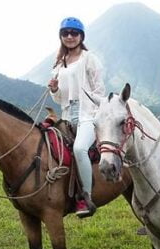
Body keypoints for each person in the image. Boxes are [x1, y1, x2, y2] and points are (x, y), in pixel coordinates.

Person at [48, 17, 105, 218]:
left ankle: (86, 197)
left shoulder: (89, 58)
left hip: (88, 114)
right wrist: (54, 90)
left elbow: (100, 90)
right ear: (61, 37)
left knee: (80, 148)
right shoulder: (58, 65)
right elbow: (59, 98)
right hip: (66, 115)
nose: (70, 36)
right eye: (66, 33)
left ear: (81, 36)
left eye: (74, 33)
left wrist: (87, 100)